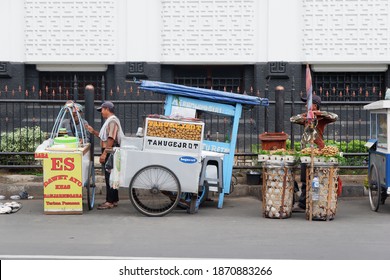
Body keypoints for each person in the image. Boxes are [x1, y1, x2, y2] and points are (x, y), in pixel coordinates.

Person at [290, 95, 338, 211]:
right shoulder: (306, 118)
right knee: (303, 177)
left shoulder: (321, 118)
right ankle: (304, 202)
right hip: (306, 151)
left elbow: (334, 117)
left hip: (318, 150)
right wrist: (307, 116)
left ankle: (307, 204)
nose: (306, 105)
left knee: (314, 178)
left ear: (314, 105)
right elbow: (292, 119)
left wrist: (318, 114)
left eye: (308, 103)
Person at [85, 101, 124, 210]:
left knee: (109, 177)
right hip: (110, 150)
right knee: (112, 176)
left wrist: (104, 153)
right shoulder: (109, 122)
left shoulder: (112, 122)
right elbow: (105, 137)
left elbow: (111, 139)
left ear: (107, 109)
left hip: (110, 152)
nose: (101, 112)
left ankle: (110, 201)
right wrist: (93, 131)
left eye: (102, 110)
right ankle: (114, 200)